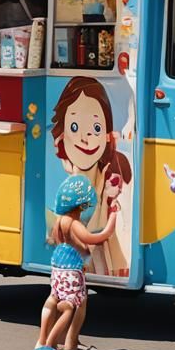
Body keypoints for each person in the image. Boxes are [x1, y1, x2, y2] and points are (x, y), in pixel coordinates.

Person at [50, 77, 132, 276]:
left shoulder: (109, 176)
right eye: (74, 127)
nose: (85, 138)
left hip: (69, 269)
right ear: (61, 135)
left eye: (96, 128)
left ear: (107, 135)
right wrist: (109, 210)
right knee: (75, 301)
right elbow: (95, 235)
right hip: (79, 269)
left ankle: (50, 309)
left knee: (60, 300)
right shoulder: (75, 196)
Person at [35, 174, 118, 350]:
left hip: (57, 267)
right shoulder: (73, 223)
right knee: (70, 306)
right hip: (71, 271)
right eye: (84, 207)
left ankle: (45, 340)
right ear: (79, 205)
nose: (84, 211)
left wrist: (85, 251)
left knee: (53, 299)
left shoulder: (58, 222)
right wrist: (111, 222)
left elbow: (70, 244)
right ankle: (49, 345)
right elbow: (92, 238)